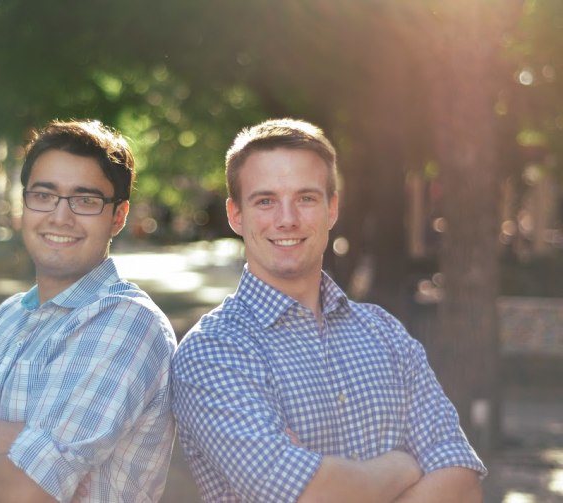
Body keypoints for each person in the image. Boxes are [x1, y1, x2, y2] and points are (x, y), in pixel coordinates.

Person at [171, 118, 487, 502]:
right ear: (236, 215)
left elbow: (462, 481)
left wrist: (329, 477)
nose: (287, 218)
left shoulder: (385, 333)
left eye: (306, 198)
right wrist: (404, 465)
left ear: (332, 209)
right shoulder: (213, 352)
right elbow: (311, 496)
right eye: (265, 200)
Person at [0, 119, 177, 502]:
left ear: (118, 216)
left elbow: (24, 495)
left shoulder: (128, 324)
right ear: (24, 202)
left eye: (85, 200)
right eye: (43, 195)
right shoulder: (9, 316)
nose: (60, 216)